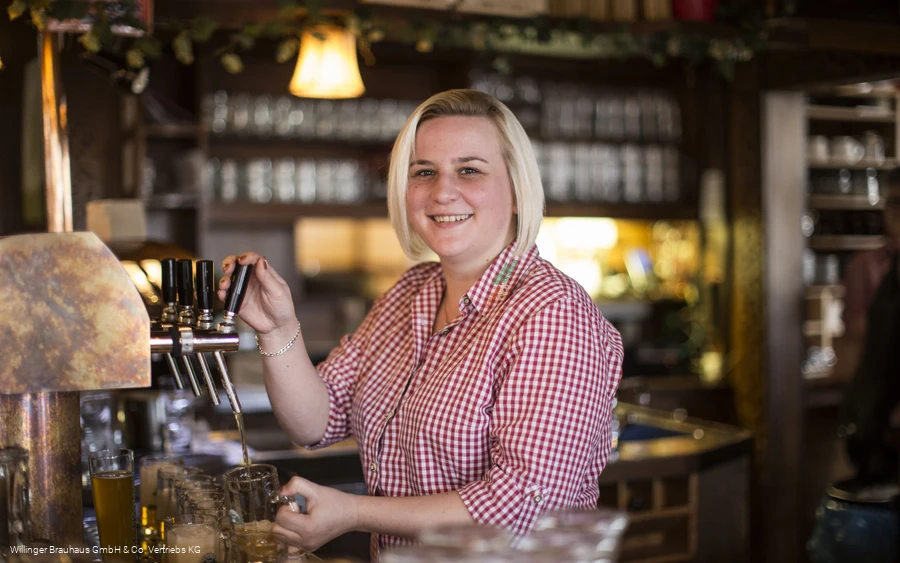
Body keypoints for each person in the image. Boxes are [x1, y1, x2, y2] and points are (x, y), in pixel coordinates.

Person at [217, 89, 624, 558]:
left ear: (516, 191)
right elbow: (315, 423)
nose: (441, 191)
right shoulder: (410, 293)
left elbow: (521, 507)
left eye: (469, 170)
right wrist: (278, 329)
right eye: (424, 172)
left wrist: (354, 512)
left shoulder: (552, 314)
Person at [839, 168, 900, 482]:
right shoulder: (873, 268)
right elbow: (857, 334)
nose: (895, 214)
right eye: (891, 204)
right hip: (878, 415)